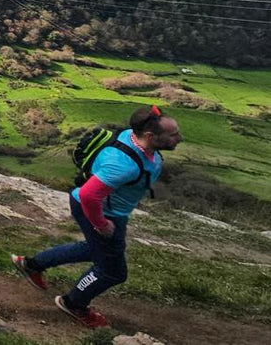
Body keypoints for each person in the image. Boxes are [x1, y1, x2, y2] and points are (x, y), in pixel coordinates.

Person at [12, 105, 181, 329]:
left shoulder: (132, 137)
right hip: (101, 212)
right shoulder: (124, 166)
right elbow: (89, 195)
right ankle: (73, 303)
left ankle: (32, 265)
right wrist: (101, 224)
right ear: (150, 136)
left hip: (103, 208)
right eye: (173, 135)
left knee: (94, 250)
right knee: (112, 271)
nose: (179, 138)